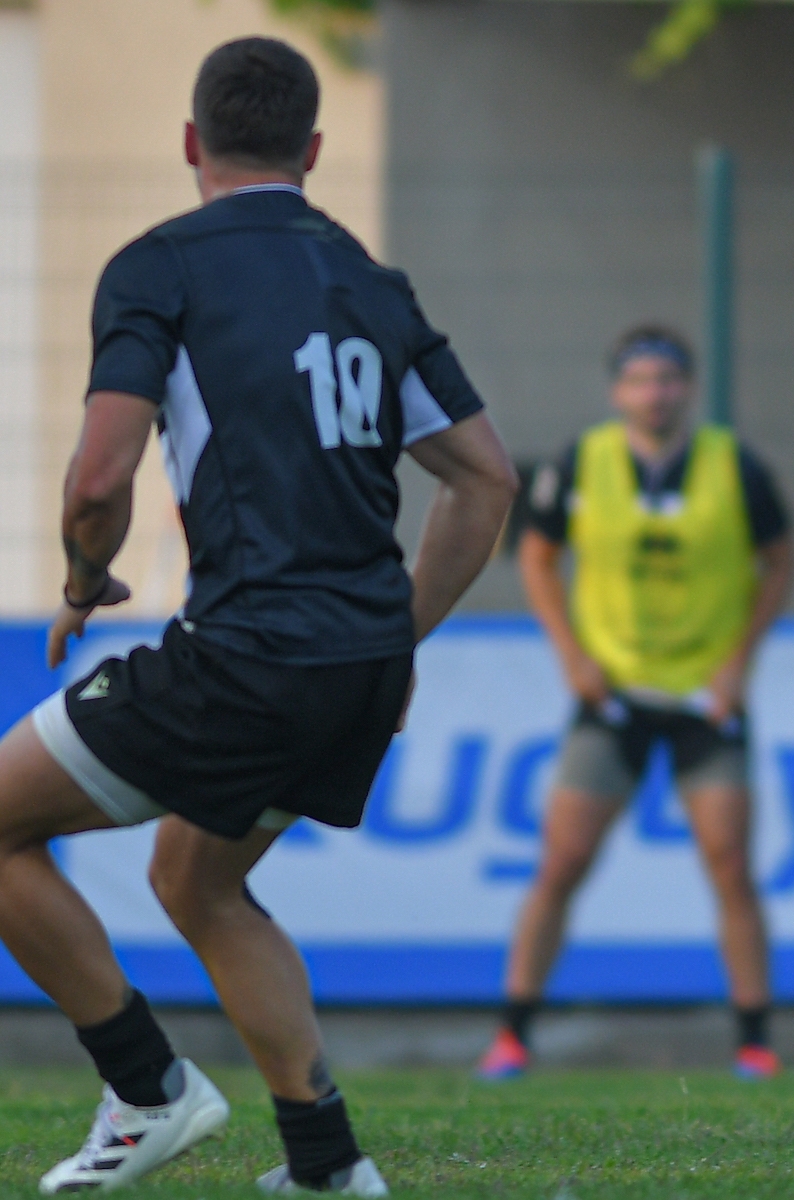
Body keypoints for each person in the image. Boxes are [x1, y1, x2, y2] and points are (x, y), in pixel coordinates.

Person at [0, 38, 516, 1195]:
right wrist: (399, 630)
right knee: (198, 879)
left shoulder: (161, 266)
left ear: (193, 144)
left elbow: (96, 478)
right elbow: (486, 478)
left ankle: (146, 1088)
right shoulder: (370, 282)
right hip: (357, 670)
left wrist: (85, 580)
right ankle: (327, 1164)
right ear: (314, 151)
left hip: (248, 655)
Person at [475, 326, 794, 1082]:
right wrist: (573, 657)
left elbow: (780, 560)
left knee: (729, 866)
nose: (655, 392)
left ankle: (755, 1042)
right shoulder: (581, 463)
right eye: (641, 380)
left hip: (704, 698)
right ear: (618, 390)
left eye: (668, 379)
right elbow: (537, 553)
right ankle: (512, 1034)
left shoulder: (734, 466)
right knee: (563, 861)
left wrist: (737, 664)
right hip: (613, 690)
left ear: (687, 388)